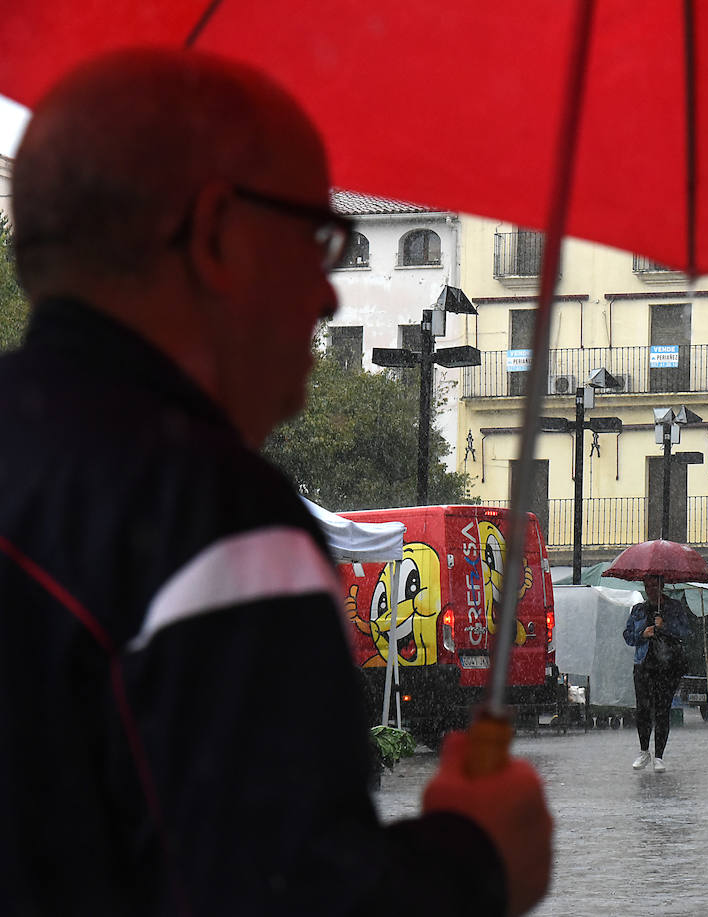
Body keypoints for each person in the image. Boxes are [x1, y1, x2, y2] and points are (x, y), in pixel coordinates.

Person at [0, 48, 551, 916]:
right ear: (217, 234)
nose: (327, 299)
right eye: (317, 238)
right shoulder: (212, 523)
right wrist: (476, 855)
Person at [622, 574, 692, 772]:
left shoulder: (674, 607)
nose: (650, 589)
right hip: (643, 666)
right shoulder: (639, 609)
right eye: (646, 586)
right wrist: (642, 634)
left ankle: (659, 756)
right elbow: (627, 636)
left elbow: (685, 631)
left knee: (662, 710)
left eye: (653, 585)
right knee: (643, 710)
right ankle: (644, 751)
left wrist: (665, 626)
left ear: (662, 586)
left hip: (667, 667)